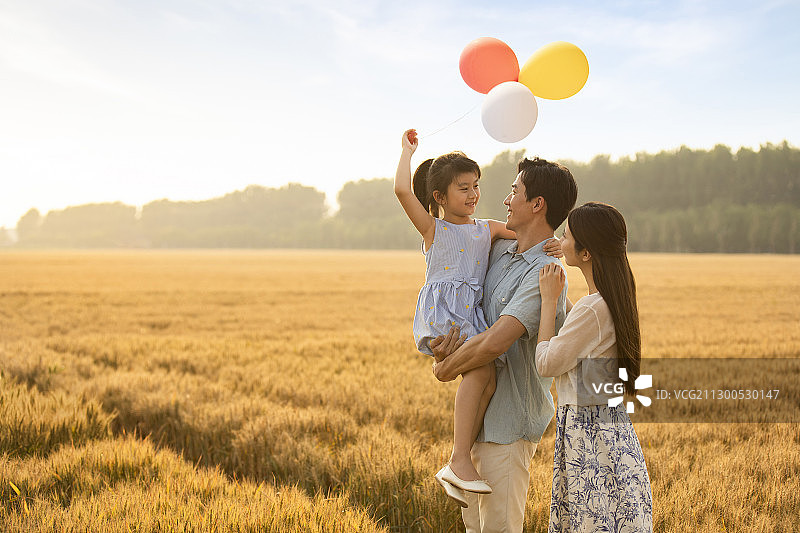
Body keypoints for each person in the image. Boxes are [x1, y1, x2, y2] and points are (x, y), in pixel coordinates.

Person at [394, 129, 562, 507]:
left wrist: (562, 244)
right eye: (464, 188)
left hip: (470, 320)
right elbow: (403, 192)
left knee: (484, 376)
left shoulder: (486, 229)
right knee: (482, 372)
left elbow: (527, 235)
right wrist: (407, 152)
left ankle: (460, 459)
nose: (474, 195)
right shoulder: (434, 229)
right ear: (439, 197)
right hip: (447, 319)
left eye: (476, 186)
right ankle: (459, 458)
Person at [431, 155, 578, 532]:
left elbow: (495, 342)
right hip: (477, 424)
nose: (505, 199)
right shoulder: (498, 251)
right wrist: (442, 346)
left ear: (537, 204)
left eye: (515, 192)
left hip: (508, 428)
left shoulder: (547, 271)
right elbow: (461, 308)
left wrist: (446, 368)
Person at [536, 202, 653, 532]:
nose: (561, 240)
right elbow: (581, 333)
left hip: (588, 441)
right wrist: (566, 250)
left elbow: (547, 363)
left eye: (567, 236)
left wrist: (548, 301)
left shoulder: (592, 309)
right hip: (613, 433)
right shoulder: (612, 298)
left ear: (587, 252)